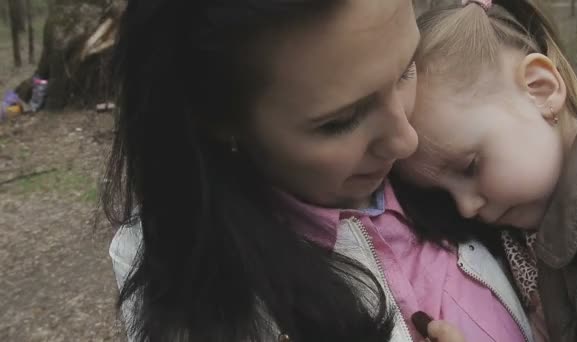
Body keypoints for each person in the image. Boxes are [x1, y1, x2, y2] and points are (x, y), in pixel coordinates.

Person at [104, 0, 533, 341]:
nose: (406, 141)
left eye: (406, 68)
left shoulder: (475, 147)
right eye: (340, 122)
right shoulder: (197, 303)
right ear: (217, 119)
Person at [396, 0, 577, 341]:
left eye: (470, 167)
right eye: (444, 194)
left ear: (541, 90)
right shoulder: (523, 235)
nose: (465, 207)